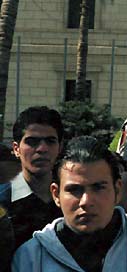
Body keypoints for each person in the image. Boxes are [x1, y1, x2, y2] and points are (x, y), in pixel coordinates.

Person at [11, 136, 127, 271]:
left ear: (117, 190)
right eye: (74, 190)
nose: (86, 201)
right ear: (56, 194)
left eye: (98, 188)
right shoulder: (32, 257)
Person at [0, 106, 64, 249]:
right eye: (32, 142)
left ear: (60, 148)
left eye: (50, 141)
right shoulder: (2, 203)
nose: (42, 149)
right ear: (16, 149)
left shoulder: (73, 200)